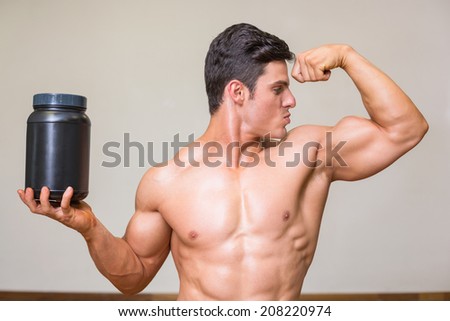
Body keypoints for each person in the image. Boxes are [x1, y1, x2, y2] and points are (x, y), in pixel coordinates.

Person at [18, 23, 428, 300]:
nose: (292, 101)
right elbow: (134, 276)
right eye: (278, 89)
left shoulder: (310, 153)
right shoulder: (167, 181)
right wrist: (89, 229)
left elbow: (404, 129)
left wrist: (346, 55)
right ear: (237, 93)